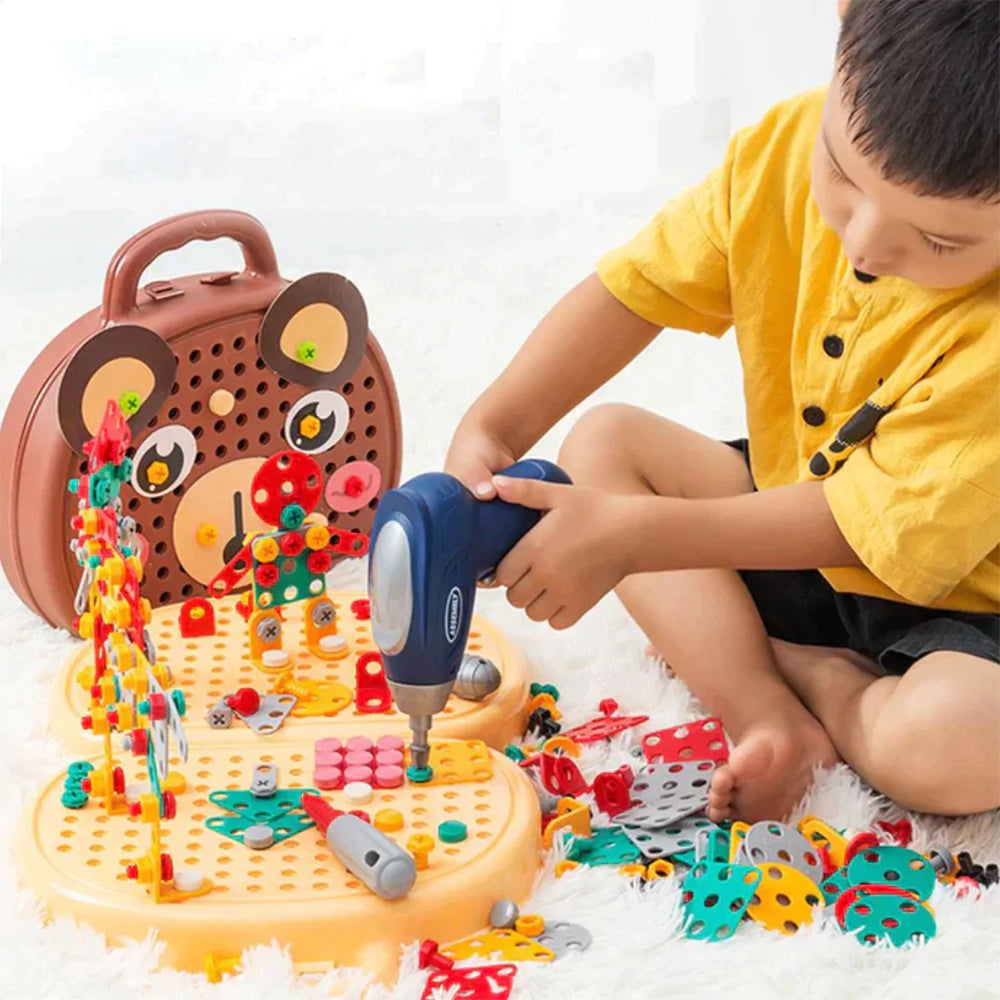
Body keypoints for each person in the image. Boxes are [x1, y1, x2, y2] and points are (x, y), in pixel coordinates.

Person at [445, 0, 1000, 822]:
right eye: (843, 177)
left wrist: (633, 537)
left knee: (961, 740)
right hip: (789, 516)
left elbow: (859, 526)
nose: (864, 244)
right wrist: (492, 426)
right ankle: (768, 714)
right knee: (605, 443)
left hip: (966, 607)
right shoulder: (782, 148)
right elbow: (635, 290)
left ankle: (822, 681)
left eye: (940, 243)